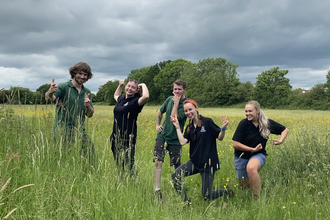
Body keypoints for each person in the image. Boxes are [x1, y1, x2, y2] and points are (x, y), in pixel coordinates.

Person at [171, 100, 234, 203]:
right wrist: (177, 127)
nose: (188, 112)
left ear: (196, 108)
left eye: (190, 109)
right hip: (195, 162)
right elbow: (183, 142)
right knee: (175, 175)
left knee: (207, 196)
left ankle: (226, 192)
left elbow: (220, 137)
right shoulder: (189, 127)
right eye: (186, 111)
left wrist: (223, 129)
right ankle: (185, 202)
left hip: (208, 164)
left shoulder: (207, 122)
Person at [232, 100, 289, 198]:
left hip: (258, 154)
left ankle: (257, 198)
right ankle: (249, 195)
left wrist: (280, 141)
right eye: (246, 111)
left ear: (257, 111)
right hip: (241, 156)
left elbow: (285, 130)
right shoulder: (244, 124)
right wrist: (252, 149)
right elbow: (235, 144)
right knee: (244, 187)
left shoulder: (266, 123)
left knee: (251, 168)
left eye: (250, 111)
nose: (247, 114)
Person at [45, 62, 95, 163]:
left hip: (80, 130)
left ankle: (87, 172)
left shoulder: (86, 92)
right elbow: (50, 99)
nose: (82, 77)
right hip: (63, 129)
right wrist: (50, 93)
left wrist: (88, 106)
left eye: (85, 75)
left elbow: (89, 114)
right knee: (62, 158)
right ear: (74, 73)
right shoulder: (64, 87)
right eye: (80, 73)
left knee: (89, 150)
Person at [153, 80, 187, 203]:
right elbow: (160, 111)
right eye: (175, 89)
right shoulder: (169, 99)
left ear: (184, 90)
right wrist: (157, 124)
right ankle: (157, 191)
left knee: (177, 166)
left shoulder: (186, 104)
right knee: (158, 162)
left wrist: (177, 103)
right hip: (163, 135)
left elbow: (174, 118)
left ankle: (179, 191)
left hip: (176, 139)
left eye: (179, 89)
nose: (177, 91)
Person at [110, 79, 149, 174]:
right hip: (115, 137)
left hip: (128, 139)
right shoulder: (121, 100)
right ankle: (121, 181)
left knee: (129, 165)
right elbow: (116, 95)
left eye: (133, 87)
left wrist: (143, 84)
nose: (130, 89)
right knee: (119, 163)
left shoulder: (136, 102)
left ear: (136, 90)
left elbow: (146, 96)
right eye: (128, 86)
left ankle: (132, 183)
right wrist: (120, 86)